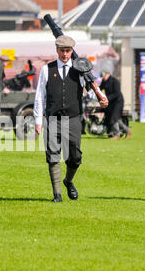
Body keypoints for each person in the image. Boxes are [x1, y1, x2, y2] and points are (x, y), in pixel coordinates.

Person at [34, 35, 108, 202]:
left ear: (72, 51)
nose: (65, 54)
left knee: (75, 157)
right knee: (53, 156)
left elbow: (91, 90)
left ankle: (68, 180)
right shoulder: (47, 69)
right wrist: (38, 120)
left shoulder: (80, 70)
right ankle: (57, 194)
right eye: (62, 51)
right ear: (57, 50)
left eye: (68, 51)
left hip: (73, 119)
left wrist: (101, 98)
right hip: (52, 119)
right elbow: (40, 96)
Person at [99, 69, 132, 139]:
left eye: (104, 76)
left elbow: (117, 94)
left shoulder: (115, 81)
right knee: (114, 118)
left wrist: (106, 98)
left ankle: (117, 134)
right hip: (111, 102)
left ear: (108, 74)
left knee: (113, 118)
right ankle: (127, 131)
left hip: (118, 102)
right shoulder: (104, 81)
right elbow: (99, 89)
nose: (103, 78)